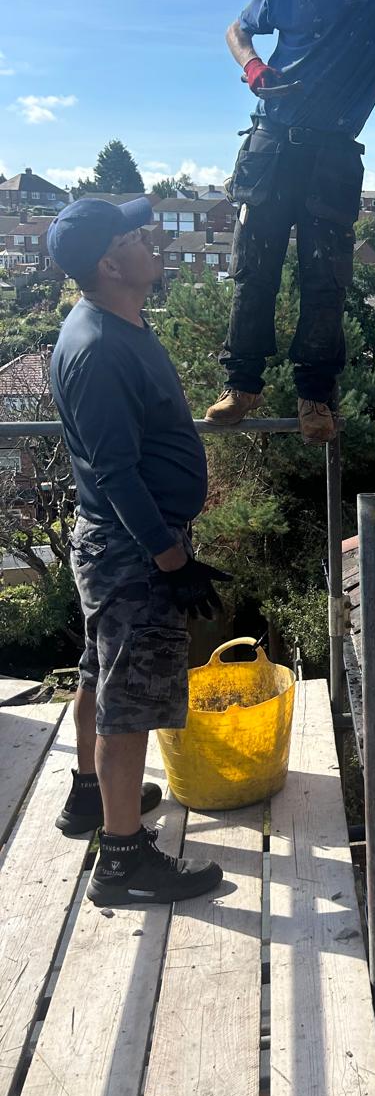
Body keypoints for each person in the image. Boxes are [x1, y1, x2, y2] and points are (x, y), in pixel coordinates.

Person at [48, 197, 229, 905]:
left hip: (123, 546)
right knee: (128, 705)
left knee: (101, 673)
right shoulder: (97, 348)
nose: (150, 238)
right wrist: (170, 559)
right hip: (133, 552)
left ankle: (90, 797)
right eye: (134, 234)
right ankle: (122, 860)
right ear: (110, 264)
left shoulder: (114, 324)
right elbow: (116, 473)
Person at [206, 0, 375, 445]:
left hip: (332, 153)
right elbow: (237, 29)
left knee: (326, 277)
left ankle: (315, 396)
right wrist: (253, 67)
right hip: (271, 144)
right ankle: (241, 386)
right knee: (253, 268)